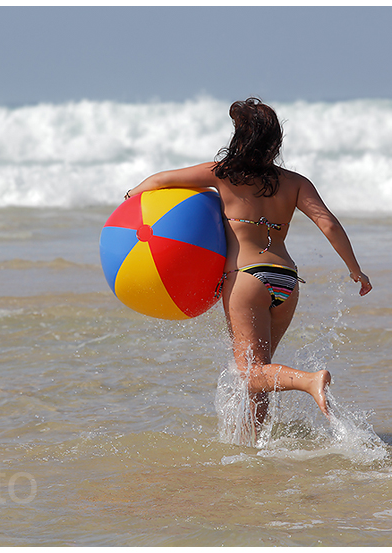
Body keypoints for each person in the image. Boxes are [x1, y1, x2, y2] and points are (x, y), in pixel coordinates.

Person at [124, 98, 372, 426]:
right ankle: (255, 443)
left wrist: (130, 198)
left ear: (239, 140)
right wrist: (355, 269)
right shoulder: (295, 182)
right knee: (262, 371)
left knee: (249, 372)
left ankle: (310, 381)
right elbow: (328, 223)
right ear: (275, 143)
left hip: (247, 278)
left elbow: (158, 181)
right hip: (286, 280)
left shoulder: (224, 175)